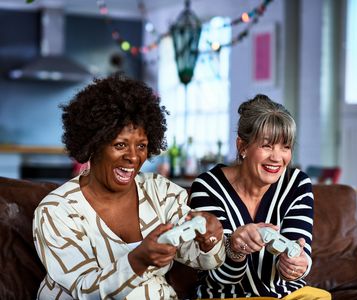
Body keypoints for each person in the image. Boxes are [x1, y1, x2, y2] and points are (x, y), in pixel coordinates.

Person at [32, 74, 225, 300]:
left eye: (141, 145)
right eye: (120, 145)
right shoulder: (57, 211)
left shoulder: (160, 193)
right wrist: (138, 260)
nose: (133, 157)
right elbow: (84, 291)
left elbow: (203, 260)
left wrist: (209, 239)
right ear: (93, 145)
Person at [189, 94, 331, 299]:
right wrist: (234, 249)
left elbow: (299, 254)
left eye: (286, 146)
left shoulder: (297, 184)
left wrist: (296, 265)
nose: (277, 157)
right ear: (242, 147)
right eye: (267, 145)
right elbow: (219, 275)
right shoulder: (208, 187)